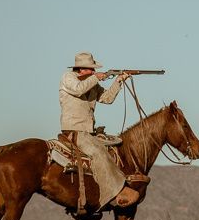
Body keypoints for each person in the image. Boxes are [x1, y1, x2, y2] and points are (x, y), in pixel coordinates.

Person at [59, 52, 139, 209]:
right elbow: (78, 89)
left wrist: (118, 80)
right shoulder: (68, 77)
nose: (93, 72)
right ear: (81, 69)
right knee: (99, 153)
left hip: (88, 131)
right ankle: (112, 193)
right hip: (74, 130)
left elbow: (107, 98)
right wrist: (97, 77)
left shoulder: (91, 83)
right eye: (91, 69)